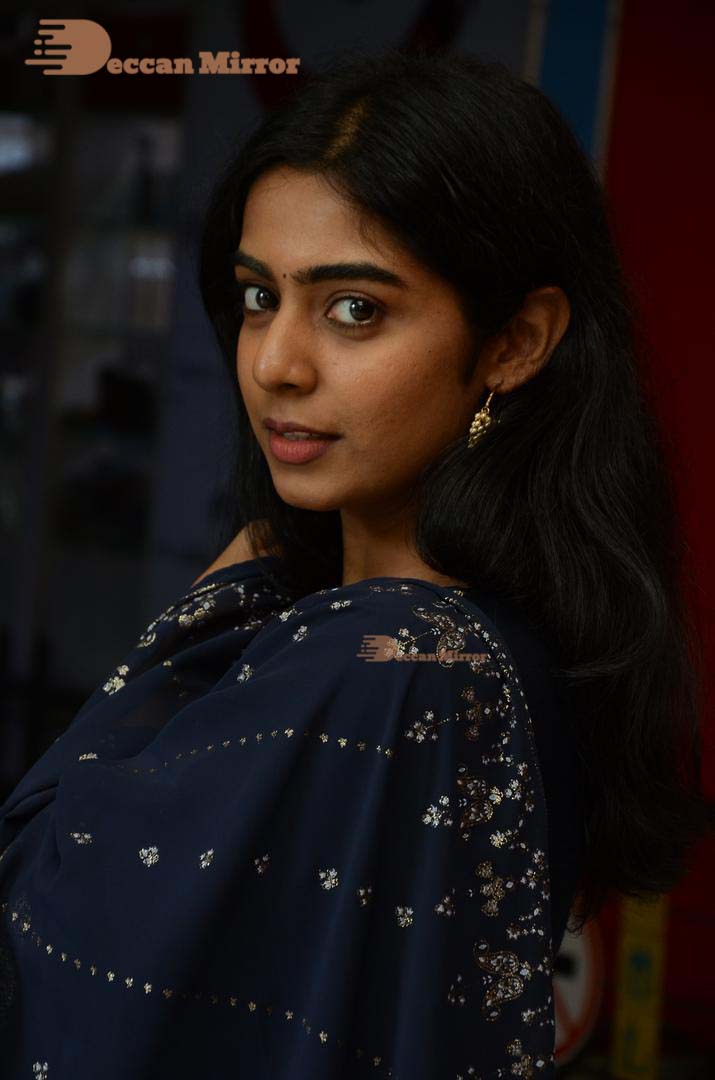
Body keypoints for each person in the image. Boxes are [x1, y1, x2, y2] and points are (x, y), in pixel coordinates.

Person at [0, 45, 710, 1080]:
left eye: (354, 309)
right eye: (257, 297)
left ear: (515, 342)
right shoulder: (503, 639)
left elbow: (46, 922)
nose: (276, 363)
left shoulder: (387, 666)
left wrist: (233, 580)